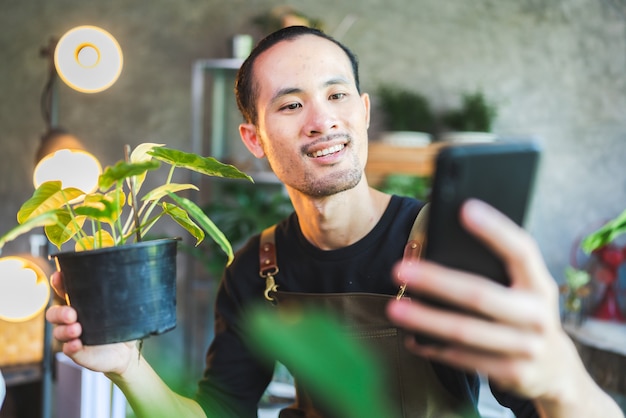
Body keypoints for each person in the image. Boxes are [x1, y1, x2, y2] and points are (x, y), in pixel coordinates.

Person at [46, 25, 624, 418]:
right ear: (254, 140)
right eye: (292, 104)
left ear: (364, 112)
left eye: (337, 96)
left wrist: (557, 371)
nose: (322, 121)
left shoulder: (447, 248)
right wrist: (125, 367)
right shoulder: (256, 269)